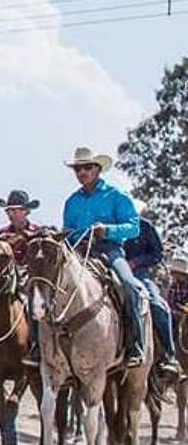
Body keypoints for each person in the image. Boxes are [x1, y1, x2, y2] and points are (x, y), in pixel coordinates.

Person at [61, 146, 174, 378]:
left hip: (110, 250)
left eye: (86, 167)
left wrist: (108, 230)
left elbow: (133, 227)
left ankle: (137, 345)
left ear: (97, 169)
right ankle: (47, 350)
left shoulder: (115, 195)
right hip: (79, 252)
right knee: (49, 286)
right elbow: (68, 231)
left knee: (130, 285)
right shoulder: (71, 201)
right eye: (78, 169)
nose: (82, 172)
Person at [125, 200, 182, 381]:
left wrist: (135, 262)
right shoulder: (113, 228)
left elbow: (156, 254)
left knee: (158, 305)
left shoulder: (146, 228)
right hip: (112, 269)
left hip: (140, 274)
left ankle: (168, 355)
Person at [0, 190, 45, 367]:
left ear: (26, 211)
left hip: (31, 279)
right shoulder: (1, 233)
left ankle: (37, 346)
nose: (12, 214)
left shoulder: (38, 233)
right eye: (9, 211)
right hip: (6, 280)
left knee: (36, 307)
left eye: (16, 210)